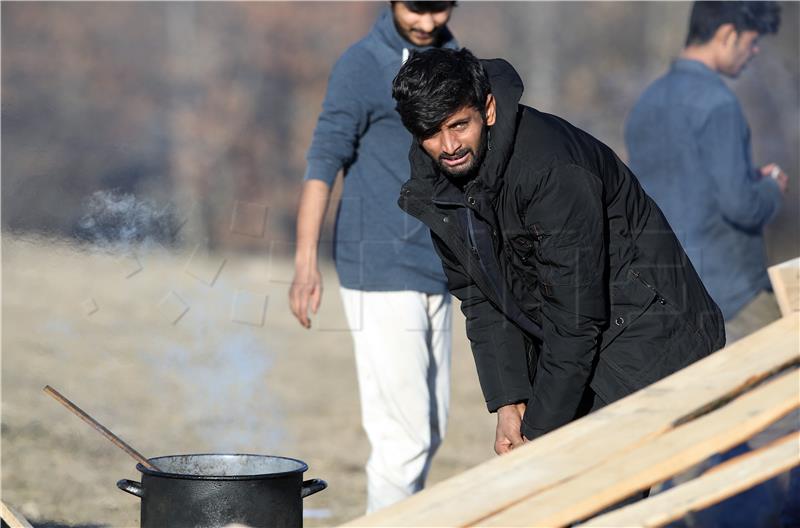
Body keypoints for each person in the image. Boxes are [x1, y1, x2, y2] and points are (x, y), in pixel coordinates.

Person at [391, 47, 725, 453]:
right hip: (580, 348)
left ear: (489, 110)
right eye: (431, 133)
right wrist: (510, 401)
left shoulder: (551, 171)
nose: (449, 146)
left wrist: (542, 430)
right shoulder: (439, 186)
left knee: (596, 493)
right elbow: (480, 296)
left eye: (459, 125)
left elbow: (575, 315)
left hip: (650, 336)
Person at [289, 1, 458, 513]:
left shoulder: (453, 58)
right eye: (417, 9)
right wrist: (304, 262)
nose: (427, 23)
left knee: (430, 429)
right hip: (380, 267)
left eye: (440, 9)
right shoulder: (362, 63)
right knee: (401, 440)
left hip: (439, 266)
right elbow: (323, 162)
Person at [625, 1, 787, 344]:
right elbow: (740, 204)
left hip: (673, 297)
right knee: (781, 390)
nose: (754, 52)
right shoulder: (719, 103)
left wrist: (748, 178)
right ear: (728, 34)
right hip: (735, 296)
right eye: (752, 41)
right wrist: (771, 188)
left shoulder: (645, 105)